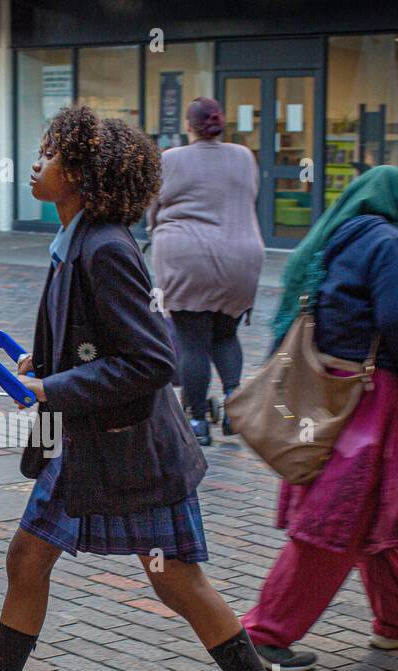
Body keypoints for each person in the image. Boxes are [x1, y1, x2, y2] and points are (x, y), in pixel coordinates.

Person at [0, 105, 318, 671]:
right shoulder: (80, 239)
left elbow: (151, 359)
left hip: (127, 452)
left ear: (80, 174)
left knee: (177, 582)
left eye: (47, 153)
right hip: (94, 443)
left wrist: (51, 389)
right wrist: (42, 366)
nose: (35, 163)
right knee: (29, 557)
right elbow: (94, 343)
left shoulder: (104, 249)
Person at [240, 166, 398, 671]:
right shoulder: (388, 244)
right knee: (338, 522)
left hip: (333, 390)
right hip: (372, 398)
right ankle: (264, 632)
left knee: (384, 513)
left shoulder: (336, 235)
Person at [148, 96, 264, 445]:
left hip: (186, 257)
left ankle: (198, 422)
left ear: (188, 125)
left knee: (192, 341)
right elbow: (248, 197)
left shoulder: (170, 159)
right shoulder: (244, 156)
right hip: (241, 257)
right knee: (226, 334)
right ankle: (232, 407)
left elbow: (152, 210)